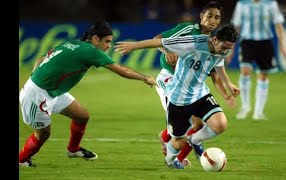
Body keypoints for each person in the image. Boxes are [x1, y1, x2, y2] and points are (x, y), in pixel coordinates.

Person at [19, 20, 157, 167]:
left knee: (81, 115)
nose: (109, 46)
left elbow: (41, 59)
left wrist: (36, 75)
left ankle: (73, 150)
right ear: (95, 39)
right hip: (38, 95)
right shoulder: (91, 51)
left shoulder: (71, 44)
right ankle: (21, 160)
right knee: (43, 134)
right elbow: (121, 70)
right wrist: (145, 78)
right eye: (107, 41)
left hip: (52, 91)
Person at [115, 24, 240, 169]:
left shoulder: (223, 50)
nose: (225, 51)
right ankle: (169, 160)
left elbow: (218, 63)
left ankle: (195, 140)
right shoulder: (192, 43)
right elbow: (160, 42)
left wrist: (228, 84)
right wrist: (134, 46)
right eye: (224, 47)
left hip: (200, 94)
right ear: (214, 39)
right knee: (179, 143)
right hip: (179, 100)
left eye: (229, 48)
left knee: (220, 124)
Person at [153, 0, 235, 166]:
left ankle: (177, 155)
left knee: (199, 125)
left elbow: (215, 73)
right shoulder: (189, 29)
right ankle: (172, 152)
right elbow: (158, 39)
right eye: (209, 15)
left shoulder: (214, 42)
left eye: (217, 17)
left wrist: (226, 92)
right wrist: (168, 51)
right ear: (201, 16)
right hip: (169, 79)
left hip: (191, 87)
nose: (212, 20)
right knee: (191, 124)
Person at [231, 0, 286, 120]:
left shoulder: (271, 4)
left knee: (263, 75)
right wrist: (231, 48)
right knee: (245, 71)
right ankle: (245, 106)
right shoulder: (242, 4)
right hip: (247, 42)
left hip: (265, 42)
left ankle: (258, 111)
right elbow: (236, 26)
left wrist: (282, 45)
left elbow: (278, 24)